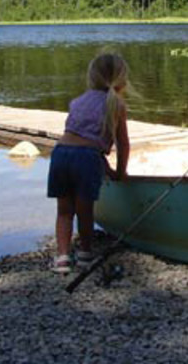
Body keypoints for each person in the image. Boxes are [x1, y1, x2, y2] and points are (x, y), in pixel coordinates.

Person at [47, 53, 130, 274]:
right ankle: (85, 254)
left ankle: (62, 258)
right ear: (122, 79)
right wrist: (119, 173)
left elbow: (77, 137)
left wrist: (108, 168)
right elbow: (122, 144)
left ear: (92, 77)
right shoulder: (117, 104)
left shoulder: (77, 101)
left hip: (60, 153)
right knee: (85, 211)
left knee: (64, 211)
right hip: (87, 158)